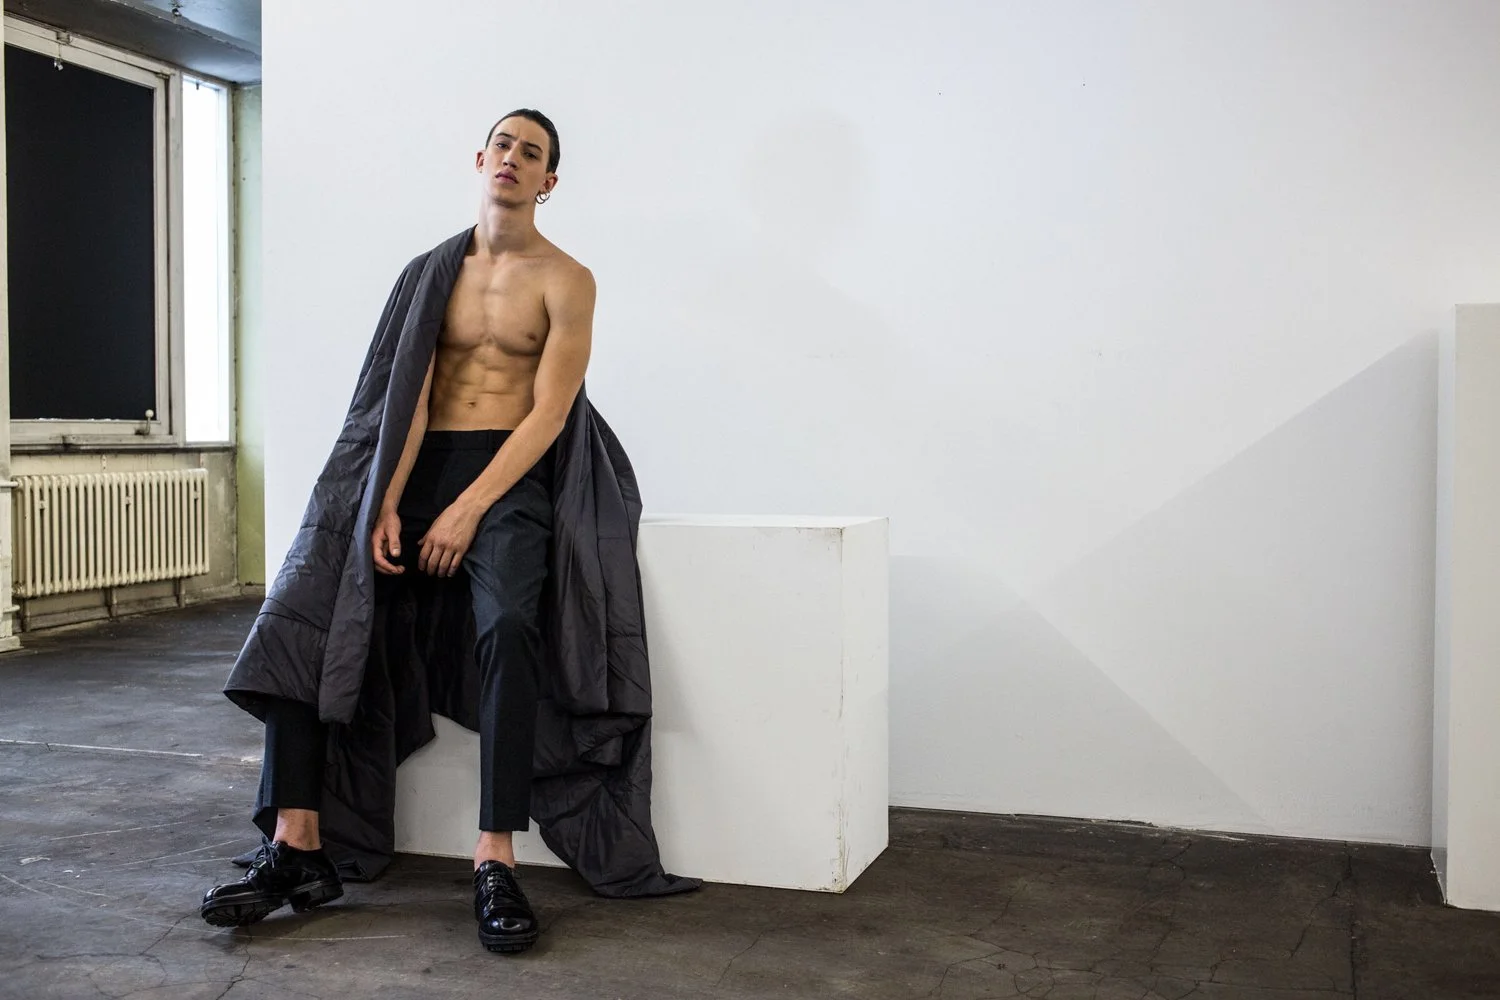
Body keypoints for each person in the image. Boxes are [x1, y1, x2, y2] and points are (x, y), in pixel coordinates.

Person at [201, 109, 616, 955]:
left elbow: (549, 415)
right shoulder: (431, 272)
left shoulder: (567, 279)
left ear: (549, 182)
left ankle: (494, 857)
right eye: (503, 144)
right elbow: (407, 400)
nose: (512, 158)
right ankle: (297, 843)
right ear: (480, 158)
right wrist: (386, 500)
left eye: (531, 152)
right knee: (308, 606)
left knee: (508, 625)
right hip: (416, 466)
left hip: (506, 475)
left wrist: (469, 508)